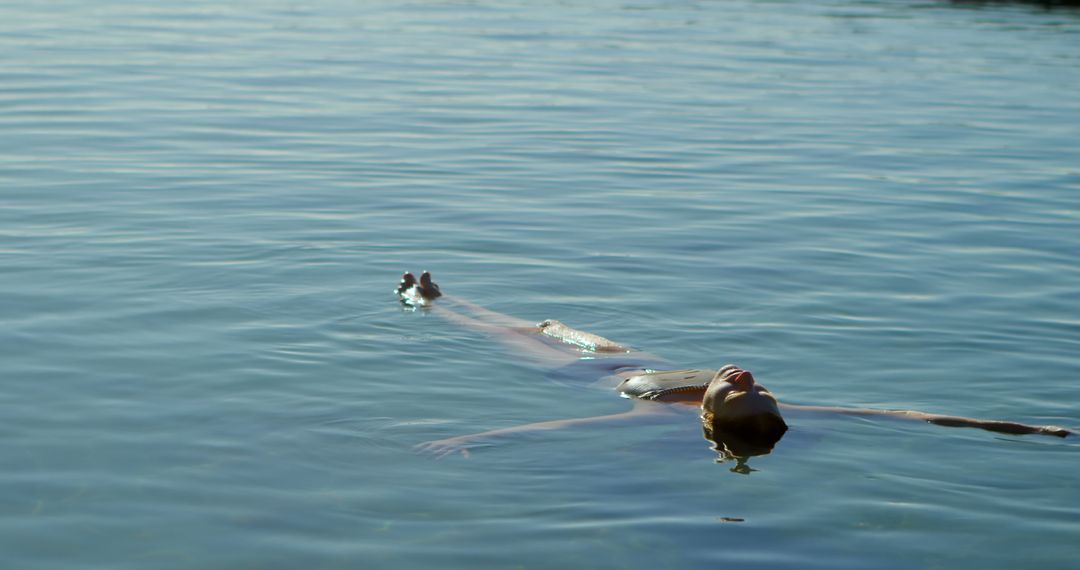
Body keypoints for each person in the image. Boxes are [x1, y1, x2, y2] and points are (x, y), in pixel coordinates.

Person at [398, 272, 1072, 459]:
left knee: (512, 333)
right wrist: (1030, 429)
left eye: (734, 390)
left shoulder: (666, 418)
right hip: (626, 358)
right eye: (757, 388)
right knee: (545, 320)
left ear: (709, 414)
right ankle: (450, 293)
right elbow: (913, 415)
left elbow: (560, 432)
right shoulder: (766, 412)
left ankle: (434, 302)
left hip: (586, 375)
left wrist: (474, 438)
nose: (744, 380)